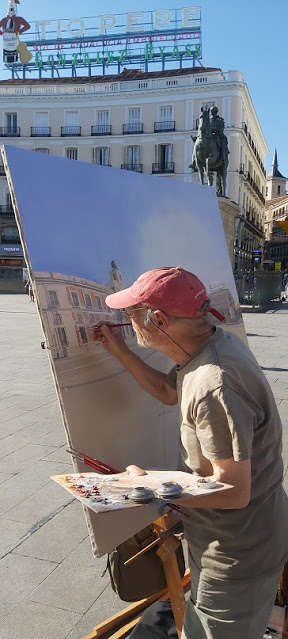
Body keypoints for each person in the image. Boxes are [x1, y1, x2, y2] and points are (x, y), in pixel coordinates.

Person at [93, 266, 288, 639]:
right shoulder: (213, 345)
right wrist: (118, 350)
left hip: (236, 553)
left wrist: (149, 485)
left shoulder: (216, 383)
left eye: (130, 314)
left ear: (159, 320)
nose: (127, 322)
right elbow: (170, 392)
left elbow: (234, 490)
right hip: (237, 538)